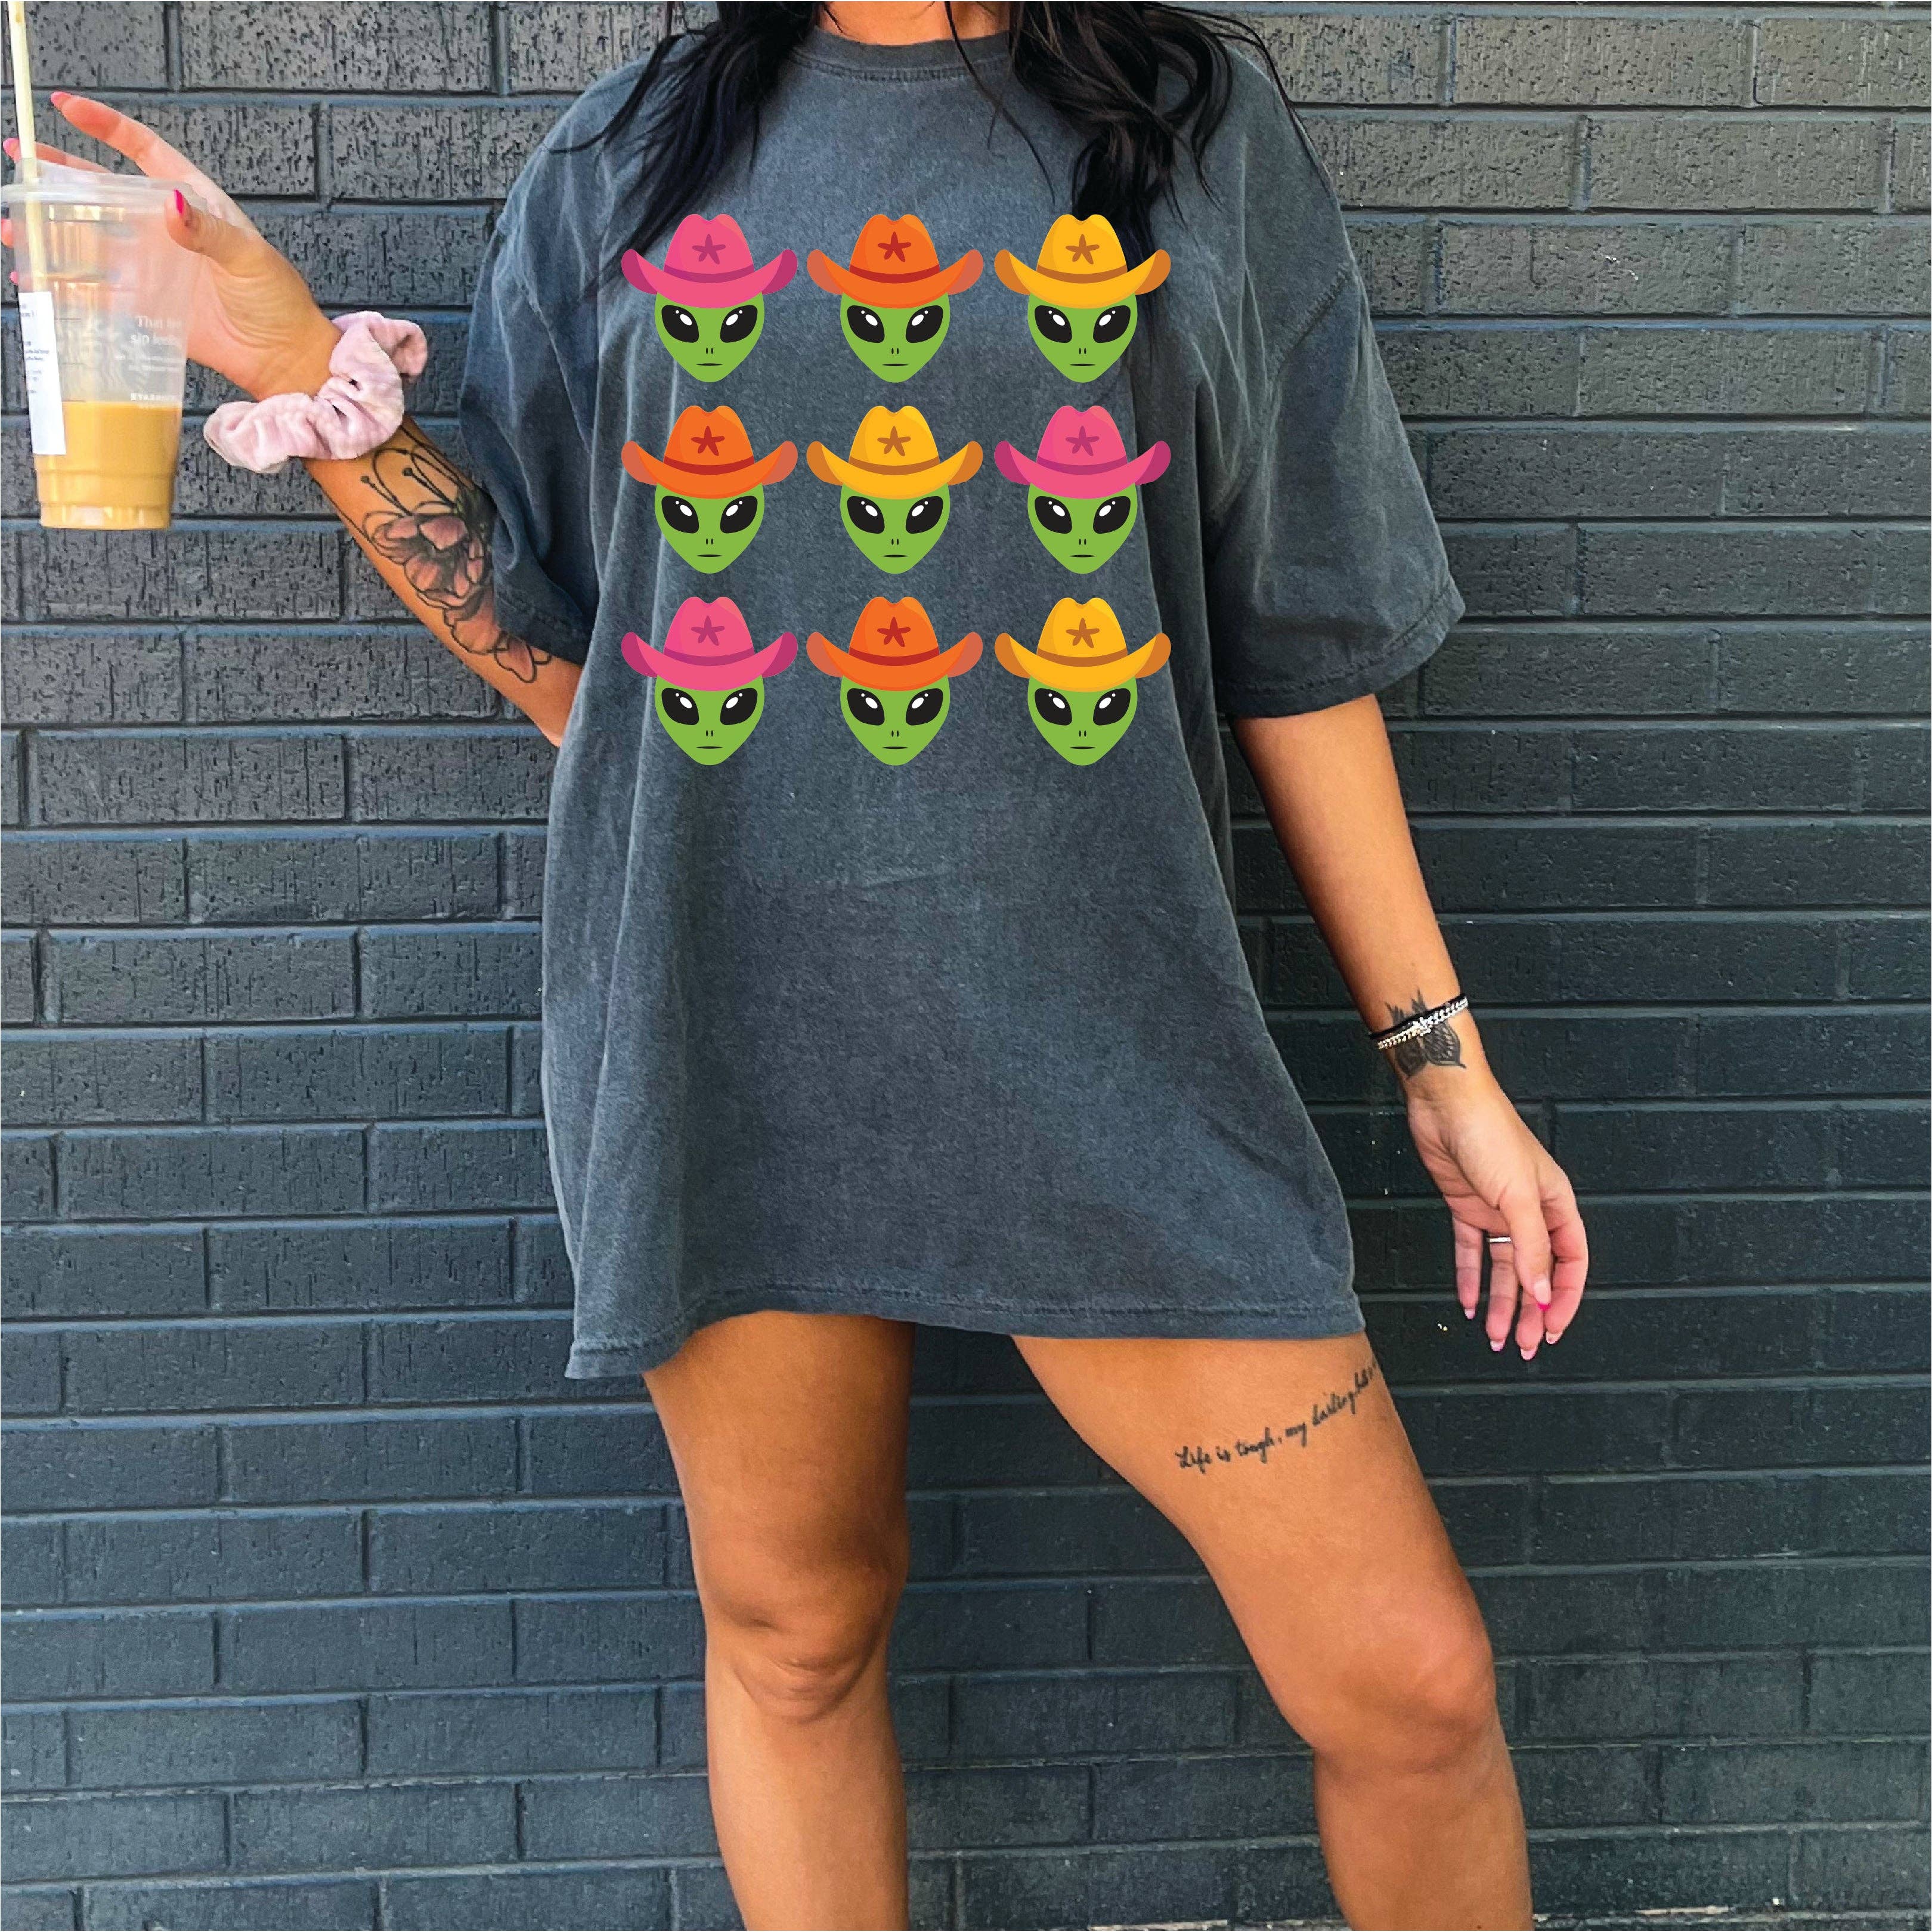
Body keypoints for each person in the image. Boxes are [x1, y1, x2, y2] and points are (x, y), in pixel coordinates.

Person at [21, 4, 1589, 1925]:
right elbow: (589, 677)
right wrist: (286, 359)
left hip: (1113, 1044)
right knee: (797, 1634)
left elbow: (1304, 632)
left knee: (1412, 1687)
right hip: (730, 1031)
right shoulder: (626, 163)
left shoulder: (1191, 132)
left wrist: (1440, 1055)